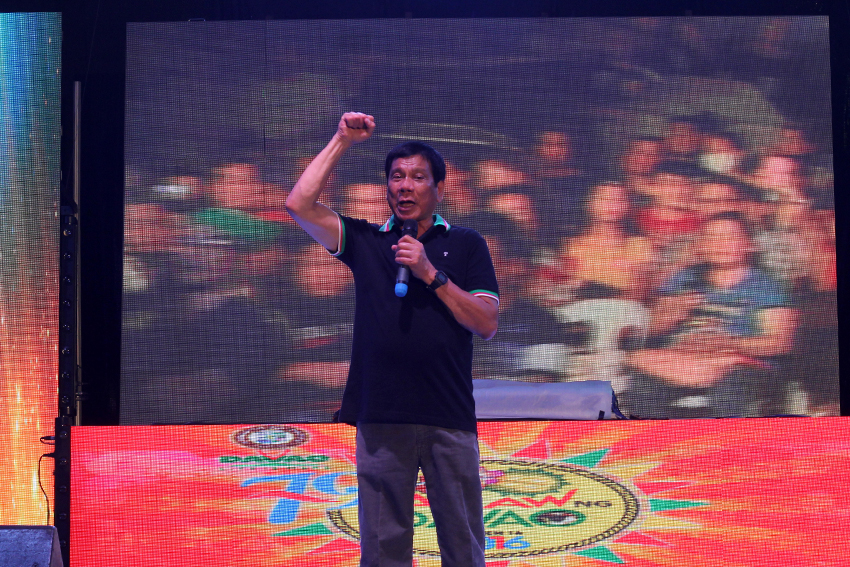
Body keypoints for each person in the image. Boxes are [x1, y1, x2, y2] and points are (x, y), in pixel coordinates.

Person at [285, 112, 499, 567]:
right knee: (383, 549)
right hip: (381, 417)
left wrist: (429, 273)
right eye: (396, 177)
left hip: (448, 415)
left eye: (418, 177)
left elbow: (485, 322)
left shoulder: (465, 244)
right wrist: (342, 139)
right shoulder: (365, 241)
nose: (405, 186)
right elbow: (299, 204)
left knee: (464, 548)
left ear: (439, 187)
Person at [623, 212, 797, 418]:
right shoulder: (683, 278)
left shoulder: (767, 286)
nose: (719, 244)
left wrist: (727, 343)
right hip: (679, 360)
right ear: (702, 245)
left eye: (729, 237)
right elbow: (647, 331)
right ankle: (655, 447)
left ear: (749, 245)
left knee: (732, 386)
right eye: (711, 237)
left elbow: (780, 343)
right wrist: (672, 314)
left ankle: (720, 447)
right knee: (641, 384)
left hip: (737, 364)